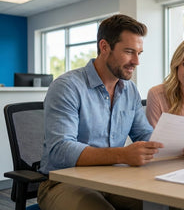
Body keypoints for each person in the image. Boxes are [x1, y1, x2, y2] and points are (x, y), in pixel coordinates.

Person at [37, 14, 164, 210]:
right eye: (129, 52)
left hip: (113, 179)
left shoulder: (129, 90)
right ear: (104, 47)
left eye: (139, 53)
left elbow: (145, 134)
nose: (136, 61)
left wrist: (180, 145)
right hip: (63, 182)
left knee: (161, 204)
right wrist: (122, 155)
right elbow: (60, 150)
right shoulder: (67, 87)